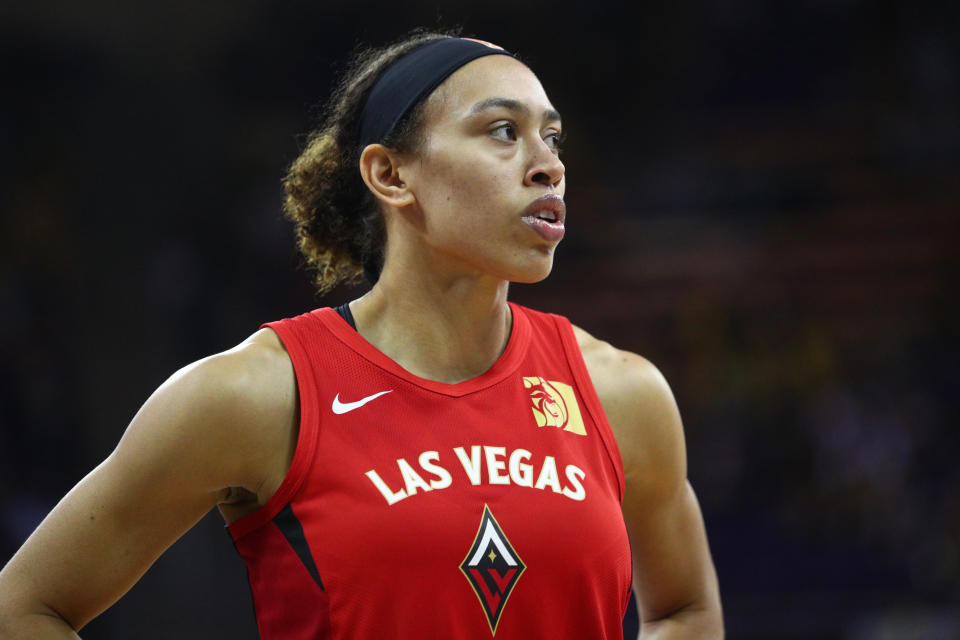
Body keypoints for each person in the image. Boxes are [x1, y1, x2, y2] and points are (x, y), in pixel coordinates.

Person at [0, 30, 723, 639]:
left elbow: (685, 610)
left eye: (552, 136)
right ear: (390, 173)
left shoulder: (619, 391)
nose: (549, 165)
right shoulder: (257, 393)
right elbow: (27, 606)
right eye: (504, 131)